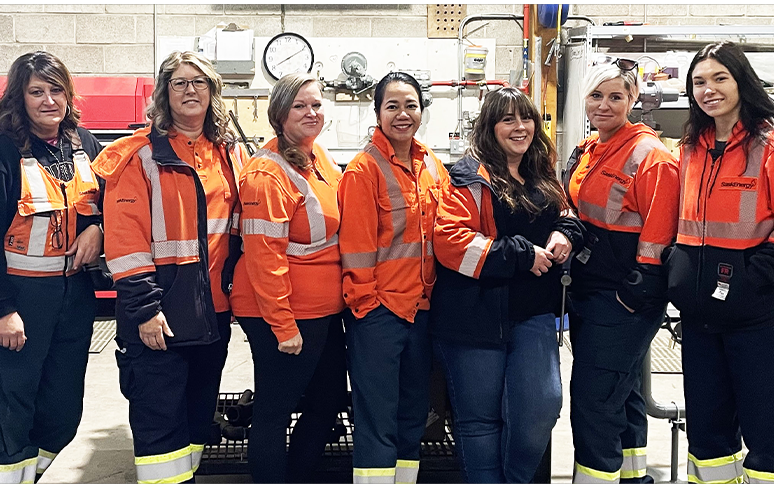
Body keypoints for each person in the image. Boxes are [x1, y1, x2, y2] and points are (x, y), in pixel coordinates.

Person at [667, 41, 774, 484]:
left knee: (767, 428)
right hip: (700, 316)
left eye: (720, 78)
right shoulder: (691, 146)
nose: (708, 90)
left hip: (756, 316)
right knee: (708, 436)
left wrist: (752, 283)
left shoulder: (773, 144)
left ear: (741, 82)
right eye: (699, 81)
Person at [91, 51, 245, 484]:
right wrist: (143, 309)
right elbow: (125, 241)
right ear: (164, 93)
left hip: (213, 312)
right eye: (179, 83)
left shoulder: (226, 154)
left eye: (199, 82)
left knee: (198, 419)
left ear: (212, 91)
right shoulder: (139, 156)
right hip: (158, 313)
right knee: (161, 424)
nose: (190, 90)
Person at [0, 51, 104, 484]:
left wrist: (97, 226)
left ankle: (12, 479)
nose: (47, 100)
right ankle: (7, 482)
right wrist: (2, 310)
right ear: (18, 98)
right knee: (11, 411)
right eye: (36, 92)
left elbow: (108, 201)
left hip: (73, 298)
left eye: (55, 90)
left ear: (69, 95)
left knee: (63, 412)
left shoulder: (84, 144)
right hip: (17, 301)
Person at [431, 87, 583, 483]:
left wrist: (567, 232)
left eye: (526, 118)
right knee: (479, 422)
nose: (520, 127)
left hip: (532, 315)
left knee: (540, 408)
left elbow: (566, 212)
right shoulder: (468, 176)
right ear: (490, 127)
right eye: (508, 120)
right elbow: (451, 243)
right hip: (474, 318)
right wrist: (521, 255)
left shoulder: (541, 172)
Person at [562, 59, 680, 484]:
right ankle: (631, 477)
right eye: (597, 95)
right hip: (592, 288)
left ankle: (595, 482)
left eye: (616, 96)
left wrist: (638, 289)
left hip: (624, 293)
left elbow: (660, 231)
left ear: (633, 99)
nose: (605, 105)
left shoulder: (652, 157)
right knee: (621, 387)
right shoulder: (590, 148)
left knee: (594, 397)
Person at [229, 72, 346, 484]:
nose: (311, 113)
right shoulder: (267, 173)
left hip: (322, 311)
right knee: (275, 411)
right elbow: (264, 256)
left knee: (326, 402)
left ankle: (297, 479)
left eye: (316, 104)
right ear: (279, 114)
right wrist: (283, 326)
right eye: (299, 106)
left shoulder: (320, 158)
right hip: (284, 314)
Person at [338, 72, 448, 484]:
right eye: (393, 106)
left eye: (411, 106)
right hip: (380, 314)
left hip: (421, 310)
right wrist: (367, 309)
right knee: (377, 419)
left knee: (412, 414)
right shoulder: (363, 171)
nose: (403, 115)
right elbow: (355, 248)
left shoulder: (431, 165)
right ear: (377, 112)